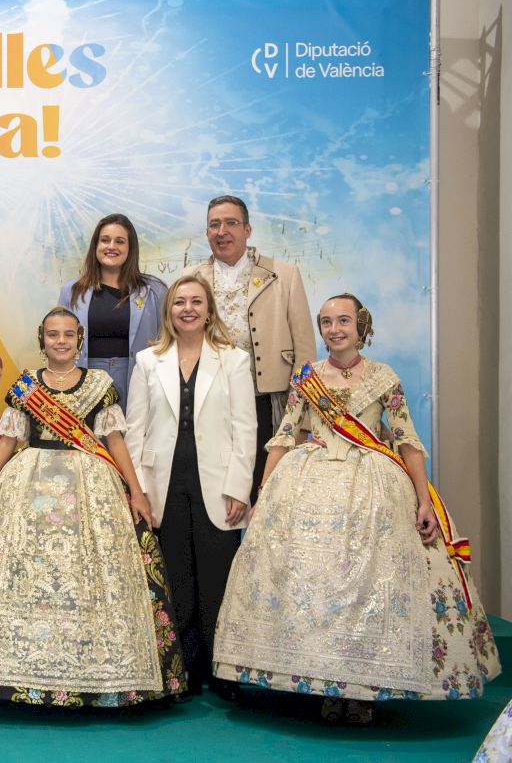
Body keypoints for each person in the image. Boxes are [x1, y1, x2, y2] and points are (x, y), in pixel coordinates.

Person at [213, 294, 501, 724]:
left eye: (343, 321)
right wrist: (265, 492)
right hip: (308, 481)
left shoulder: (383, 377)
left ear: (360, 325)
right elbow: (285, 435)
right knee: (314, 587)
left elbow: (406, 440)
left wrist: (423, 500)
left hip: (371, 486)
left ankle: (363, 691)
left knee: (367, 587)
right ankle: (323, 684)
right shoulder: (307, 377)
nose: (335, 329)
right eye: (327, 322)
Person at [0, 307, 185, 707]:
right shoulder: (26, 386)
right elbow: (7, 441)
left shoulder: (100, 384)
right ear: (41, 339)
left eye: (68, 335)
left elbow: (114, 441)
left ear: (79, 340)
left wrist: (136, 491)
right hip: (28, 484)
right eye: (53, 334)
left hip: (89, 489)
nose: (61, 341)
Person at [125, 274, 256, 702]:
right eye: (180, 302)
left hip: (219, 483)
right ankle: (180, 672)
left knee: (218, 579)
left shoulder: (233, 359)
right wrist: (137, 490)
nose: (188, 309)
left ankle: (221, 671)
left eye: (196, 302)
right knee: (176, 578)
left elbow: (245, 428)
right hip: (163, 482)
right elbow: (135, 431)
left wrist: (239, 487)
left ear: (209, 310)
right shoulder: (148, 360)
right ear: (169, 311)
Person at [183, 195, 315, 501]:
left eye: (231, 223)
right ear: (206, 232)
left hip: (267, 404)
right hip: (208, 404)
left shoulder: (284, 275)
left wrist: (303, 420)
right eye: (214, 224)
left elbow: (305, 353)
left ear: (247, 229)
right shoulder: (189, 279)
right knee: (213, 496)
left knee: (266, 495)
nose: (222, 231)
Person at [59, 213, 167, 402]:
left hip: (138, 379)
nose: (111, 246)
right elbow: (59, 343)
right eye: (105, 240)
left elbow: (167, 341)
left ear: (130, 248)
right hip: (84, 380)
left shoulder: (155, 291)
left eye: (120, 241)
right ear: (96, 245)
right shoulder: (71, 291)